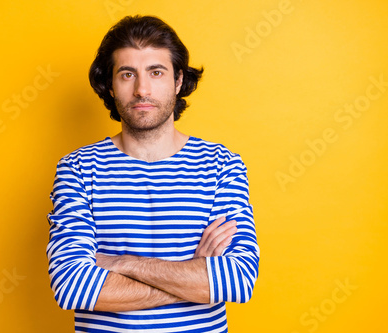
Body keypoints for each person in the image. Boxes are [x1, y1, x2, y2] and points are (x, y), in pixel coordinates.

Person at [46, 15, 259, 332]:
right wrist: (194, 275)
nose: (141, 89)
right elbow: (72, 287)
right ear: (110, 85)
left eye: (156, 72)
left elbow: (237, 281)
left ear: (177, 81)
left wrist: (120, 263)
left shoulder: (222, 165)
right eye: (127, 74)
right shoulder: (77, 168)